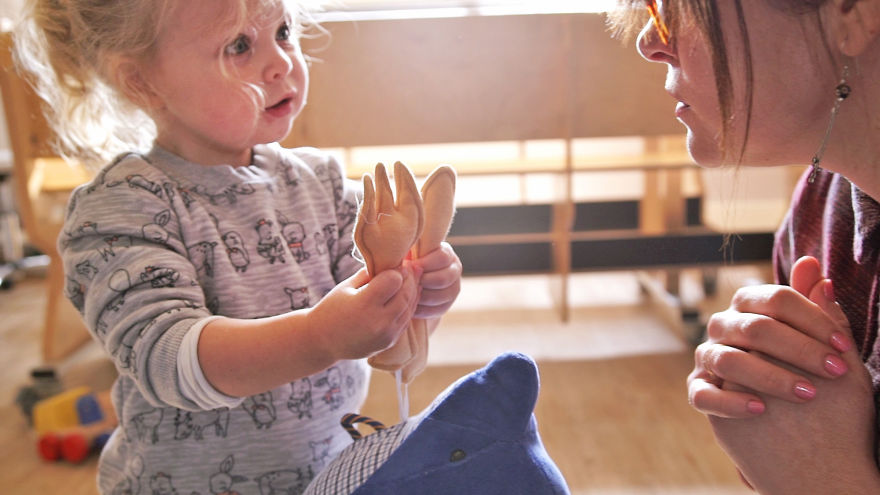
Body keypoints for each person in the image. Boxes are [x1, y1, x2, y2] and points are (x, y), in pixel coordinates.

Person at [14, 0, 462, 493]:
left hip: (325, 476)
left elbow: (374, 328)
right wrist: (320, 337)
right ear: (142, 82)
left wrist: (418, 299)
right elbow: (167, 359)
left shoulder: (323, 184)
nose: (281, 63)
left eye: (283, 32)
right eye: (239, 46)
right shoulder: (122, 207)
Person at [611, 0, 880, 492]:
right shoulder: (820, 206)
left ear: (850, 12)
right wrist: (781, 433)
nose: (649, 42)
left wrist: (825, 477)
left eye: (679, 6)